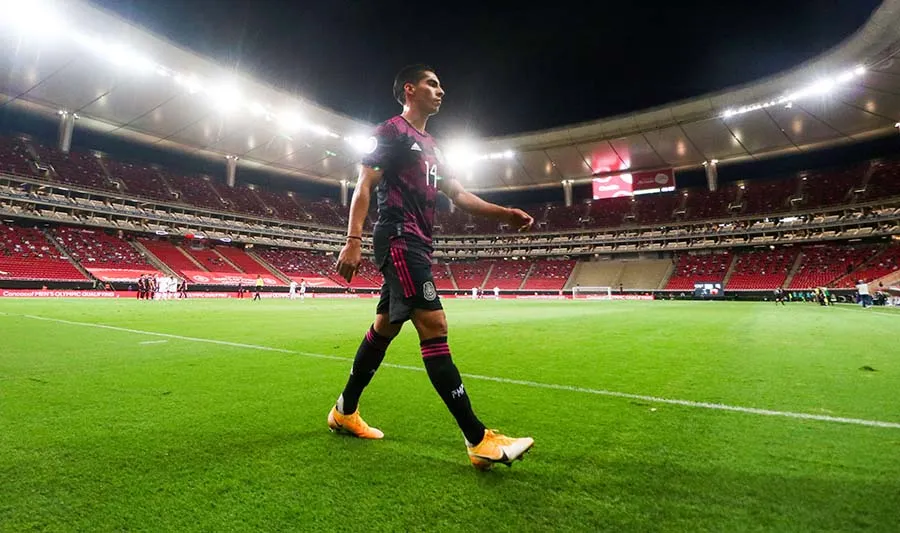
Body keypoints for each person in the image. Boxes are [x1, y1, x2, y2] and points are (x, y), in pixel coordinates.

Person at [330, 64, 535, 470]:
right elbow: (365, 184)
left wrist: (504, 213)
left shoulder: (433, 148)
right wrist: (352, 240)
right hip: (399, 237)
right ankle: (479, 439)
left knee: (385, 327)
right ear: (410, 89)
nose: (441, 90)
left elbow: (456, 194)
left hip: (419, 242)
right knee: (434, 326)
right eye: (432, 83)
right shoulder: (389, 132)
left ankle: (344, 411)